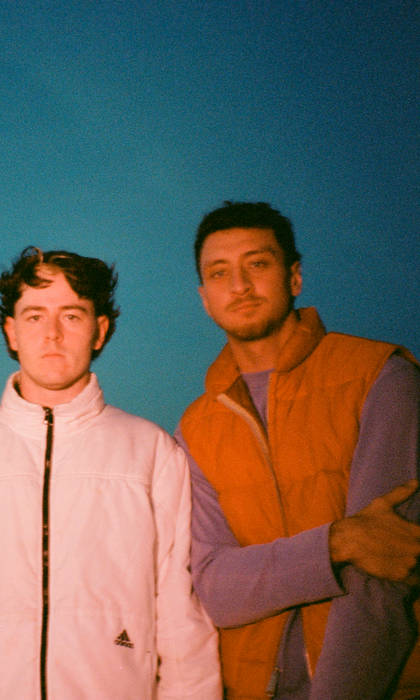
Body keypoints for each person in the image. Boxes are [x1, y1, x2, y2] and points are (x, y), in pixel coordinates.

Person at [0, 247, 220, 699]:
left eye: (72, 316)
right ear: (12, 331)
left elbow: (182, 623)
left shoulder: (151, 454)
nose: (53, 334)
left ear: (100, 330)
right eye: (35, 316)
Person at [177, 201, 420, 699]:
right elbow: (215, 590)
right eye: (219, 273)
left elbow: (387, 569)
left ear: (294, 277)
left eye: (257, 264)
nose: (239, 285)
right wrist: (338, 542)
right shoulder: (195, 427)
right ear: (204, 298)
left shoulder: (382, 377)